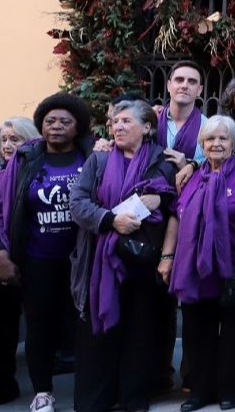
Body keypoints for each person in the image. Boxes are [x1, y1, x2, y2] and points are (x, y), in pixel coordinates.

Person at [68, 99, 175, 412]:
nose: (118, 126)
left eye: (126, 121)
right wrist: (110, 220)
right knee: (99, 331)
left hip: (143, 262)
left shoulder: (162, 161)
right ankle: (95, 400)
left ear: (147, 127)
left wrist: (157, 201)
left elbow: (172, 203)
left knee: (139, 333)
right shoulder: (99, 160)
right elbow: (78, 203)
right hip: (100, 262)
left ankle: (134, 397)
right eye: (115, 121)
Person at [0, 94, 93, 412]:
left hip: (83, 259)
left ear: (77, 127)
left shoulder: (92, 156)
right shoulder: (24, 160)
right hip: (38, 259)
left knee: (86, 325)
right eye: (50, 121)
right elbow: (1, 210)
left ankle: (90, 391)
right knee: (39, 326)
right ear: (41, 126)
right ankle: (43, 393)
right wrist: (2, 254)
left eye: (65, 121)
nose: (57, 126)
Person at [161, 116, 235, 412]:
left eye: (223, 138)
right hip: (194, 268)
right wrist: (167, 256)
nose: (216, 144)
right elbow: (175, 216)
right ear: (202, 144)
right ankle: (200, 391)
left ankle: (233, 389)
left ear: (234, 144)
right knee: (197, 331)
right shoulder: (190, 177)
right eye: (210, 139)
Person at [0, 117, 39, 409]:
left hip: (27, 256)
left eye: (14, 139)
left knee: (6, 326)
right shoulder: (0, 171)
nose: (6, 145)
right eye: (4, 139)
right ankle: (0, 381)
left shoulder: (34, 170)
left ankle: (6, 384)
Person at [160, 61, 208, 176]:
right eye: (179, 80)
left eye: (192, 82)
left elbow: (213, 168)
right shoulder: (151, 121)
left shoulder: (208, 128)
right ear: (168, 86)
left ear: (199, 90)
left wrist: (189, 165)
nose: (185, 86)